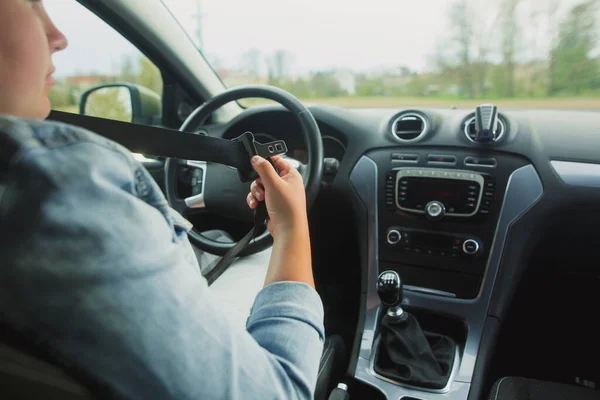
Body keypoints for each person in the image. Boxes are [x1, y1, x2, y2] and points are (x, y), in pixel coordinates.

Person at [0, 1, 324, 399]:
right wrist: (292, 229)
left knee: (221, 235)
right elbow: (282, 393)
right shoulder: (55, 189)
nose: (58, 36)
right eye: (29, 4)